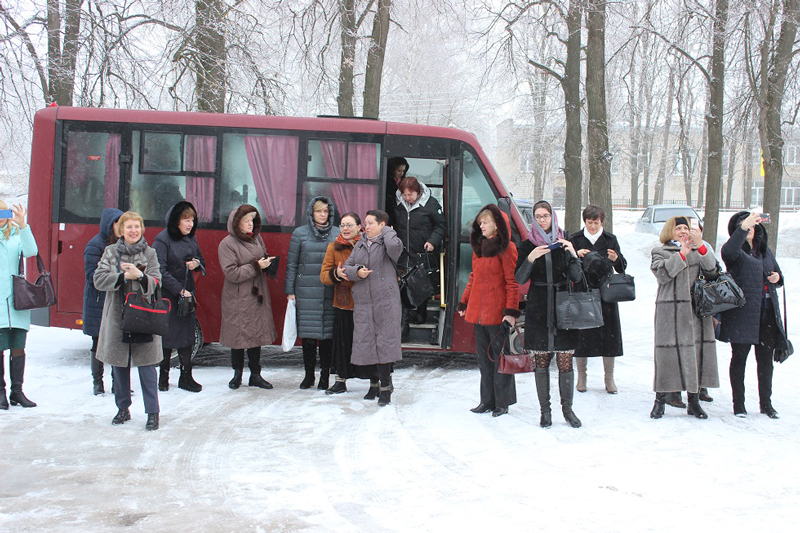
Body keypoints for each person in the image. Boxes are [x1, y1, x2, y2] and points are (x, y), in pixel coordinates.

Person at [516, 200, 583, 428]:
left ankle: (568, 410)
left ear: (552, 217)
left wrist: (573, 253)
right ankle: (545, 412)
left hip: (563, 307)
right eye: (538, 216)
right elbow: (520, 278)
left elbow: (577, 277)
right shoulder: (527, 245)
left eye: (545, 216)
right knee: (541, 363)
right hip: (539, 307)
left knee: (565, 362)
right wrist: (531, 257)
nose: (542, 220)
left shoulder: (564, 242)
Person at [93, 211, 163, 430]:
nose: (134, 231)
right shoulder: (111, 252)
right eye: (129, 227)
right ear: (120, 230)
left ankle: (153, 412)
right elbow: (98, 280)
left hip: (144, 316)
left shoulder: (150, 253)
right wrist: (122, 277)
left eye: (137, 226)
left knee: (147, 368)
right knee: (119, 365)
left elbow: (157, 282)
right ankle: (123, 408)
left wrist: (141, 277)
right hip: (117, 317)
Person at [649, 216, 719, 420]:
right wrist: (681, 255)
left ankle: (694, 401)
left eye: (685, 228)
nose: (682, 231)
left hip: (695, 312)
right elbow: (662, 275)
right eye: (678, 228)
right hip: (669, 312)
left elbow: (712, 271)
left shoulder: (698, 250)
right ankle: (660, 400)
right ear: (670, 231)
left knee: (694, 356)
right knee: (666, 358)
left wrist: (701, 247)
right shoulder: (660, 251)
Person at [719, 211, 787, 419]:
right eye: (744, 225)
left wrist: (777, 277)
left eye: (751, 225)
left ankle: (766, 404)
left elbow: (778, 276)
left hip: (767, 313)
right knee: (739, 359)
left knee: (765, 361)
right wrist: (742, 228)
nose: (749, 228)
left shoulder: (765, 251)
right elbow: (728, 251)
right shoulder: (735, 252)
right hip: (742, 315)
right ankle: (739, 405)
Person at [457, 204, 520, 417]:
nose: (481, 226)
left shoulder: (507, 248)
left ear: (497, 225)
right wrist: (464, 302)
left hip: (497, 314)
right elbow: (473, 278)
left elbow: (512, 282)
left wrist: (510, 312)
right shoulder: (480, 249)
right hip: (479, 314)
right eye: (480, 223)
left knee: (500, 360)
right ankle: (487, 401)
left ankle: (502, 402)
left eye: (485, 222)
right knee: (484, 361)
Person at [343, 210, 403, 406]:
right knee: (368, 343)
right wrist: (357, 272)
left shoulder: (389, 241)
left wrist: (388, 231)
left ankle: (385, 388)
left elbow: (395, 248)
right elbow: (346, 267)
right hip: (364, 301)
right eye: (366, 223)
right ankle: (374, 384)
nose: (366, 226)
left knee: (385, 343)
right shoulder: (360, 243)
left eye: (370, 223)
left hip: (385, 301)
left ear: (381, 225)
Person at [218, 205, 277, 390]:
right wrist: (257, 266)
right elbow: (231, 273)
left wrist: (268, 263)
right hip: (237, 297)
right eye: (246, 221)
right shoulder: (227, 244)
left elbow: (261, 256)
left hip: (256, 294)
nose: (250, 224)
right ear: (237, 223)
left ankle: (255, 374)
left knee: (255, 334)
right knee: (238, 336)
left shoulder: (257, 238)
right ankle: (237, 374)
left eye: (252, 220)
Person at [568, 205, 626, 394]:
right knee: (582, 336)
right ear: (584, 221)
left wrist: (616, 258)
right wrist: (576, 255)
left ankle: (609, 378)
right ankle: (582, 376)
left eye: (596, 222)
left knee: (609, 336)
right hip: (583, 291)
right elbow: (567, 266)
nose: (593, 226)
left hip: (605, 294)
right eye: (590, 222)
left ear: (602, 222)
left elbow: (622, 267)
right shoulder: (576, 239)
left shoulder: (610, 239)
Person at [285, 197, 339, 390]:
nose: (322, 215)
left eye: (325, 211)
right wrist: (290, 291)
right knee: (308, 337)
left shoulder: (337, 233)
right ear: (311, 213)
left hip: (329, 292)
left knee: (327, 338)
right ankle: (309, 375)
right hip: (306, 292)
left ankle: (324, 376)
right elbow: (292, 264)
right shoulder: (300, 234)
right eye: (318, 211)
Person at [153, 201, 205, 393]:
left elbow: (201, 260)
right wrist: (179, 290)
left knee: (187, 337)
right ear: (176, 221)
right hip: (169, 296)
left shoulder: (191, 238)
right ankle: (163, 378)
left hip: (187, 296)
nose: (190, 224)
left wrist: (196, 264)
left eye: (192, 220)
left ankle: (186, 376)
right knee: (167, 337)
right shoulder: (162, 239)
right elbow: (159, 270)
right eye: (186, 220)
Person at [320, 212, 371, 395]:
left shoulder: (368, 245)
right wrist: (337, 274)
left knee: (367, 343)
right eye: (342, 225)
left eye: (349, 225)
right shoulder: (333, 247)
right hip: (344, 303)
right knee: (342, 344)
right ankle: (340, 381)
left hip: (366, 303)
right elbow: (324, 276)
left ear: (359, 227)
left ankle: (375, 381)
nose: (345, 229)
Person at [394, 176, 445, 337]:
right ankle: (403, 325)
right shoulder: (398, 205)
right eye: (404, 195)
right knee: (402, 287)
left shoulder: (430, 204)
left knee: (420, 285)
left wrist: (432, 241)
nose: (407, 198)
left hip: (422, 252)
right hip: (402, 252)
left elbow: (441, 225)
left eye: (410, 194)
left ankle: (421, 313)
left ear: (418, 192)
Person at [0, 201, 39, 410]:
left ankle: (17, 391)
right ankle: (0, 392)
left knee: (18, 347)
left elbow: (32, 251)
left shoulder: (16, 234)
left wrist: (22, 224)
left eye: (3, 212)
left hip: (17, 301)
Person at [83, 207, 123, 395]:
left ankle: (118, 383)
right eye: (118, 223)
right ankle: (97, 383)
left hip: (117, 301)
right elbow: (91, 276)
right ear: (110, 225)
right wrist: (118, 277)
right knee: (98, 342)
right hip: (98, 301)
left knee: (117, 343)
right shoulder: (95, 245)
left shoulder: (123, 244)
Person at [385, 157, 409, 226]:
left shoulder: (404, 181)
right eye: (399, 171)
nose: (401, 173)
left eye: (403, 171)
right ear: (392, 170)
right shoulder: (386, 181)